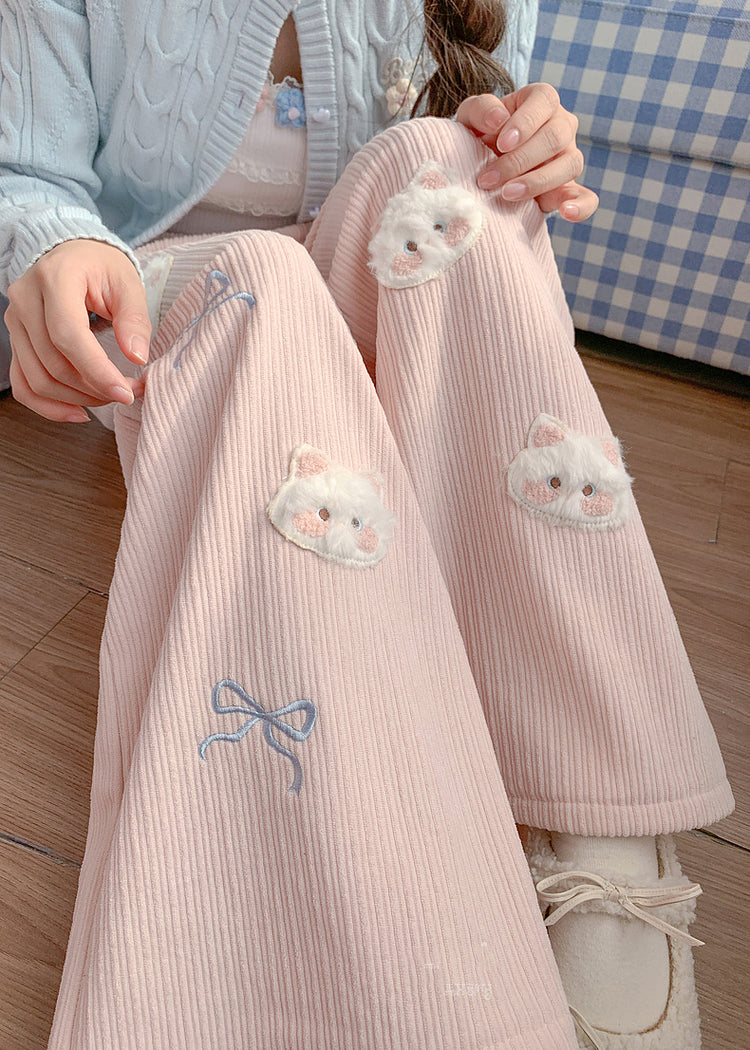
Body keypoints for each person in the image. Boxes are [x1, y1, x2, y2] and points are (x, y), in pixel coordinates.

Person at [0, 2, 733, 1048]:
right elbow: (25, 170)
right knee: (269, 281)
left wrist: (527, 144)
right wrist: (51, 243)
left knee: (451, 164)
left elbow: (479, 146)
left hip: (367, 293)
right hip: (172, 302)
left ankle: (605, 819)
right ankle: (396, 941)